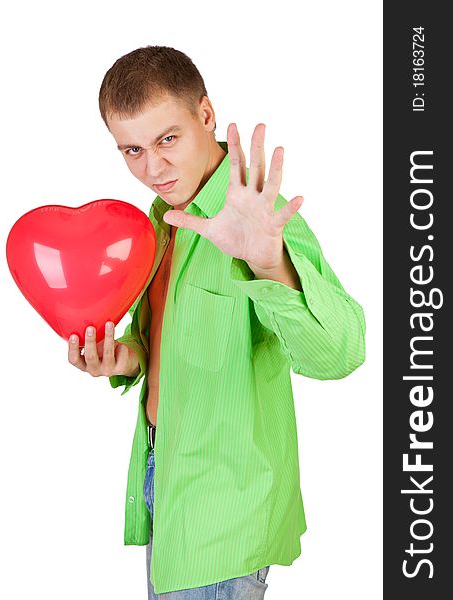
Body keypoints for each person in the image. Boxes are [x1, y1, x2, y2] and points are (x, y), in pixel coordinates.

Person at [68, 45, 366, 598]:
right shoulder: (162, 222)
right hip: (166, 482)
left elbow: (341, 353)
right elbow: (168, 340)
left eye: (167, 139)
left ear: (205, 115)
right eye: (132, 149)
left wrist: (268, 261)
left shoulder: (254, 215)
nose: (152, 168)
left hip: (223, 513)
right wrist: (125, 357)